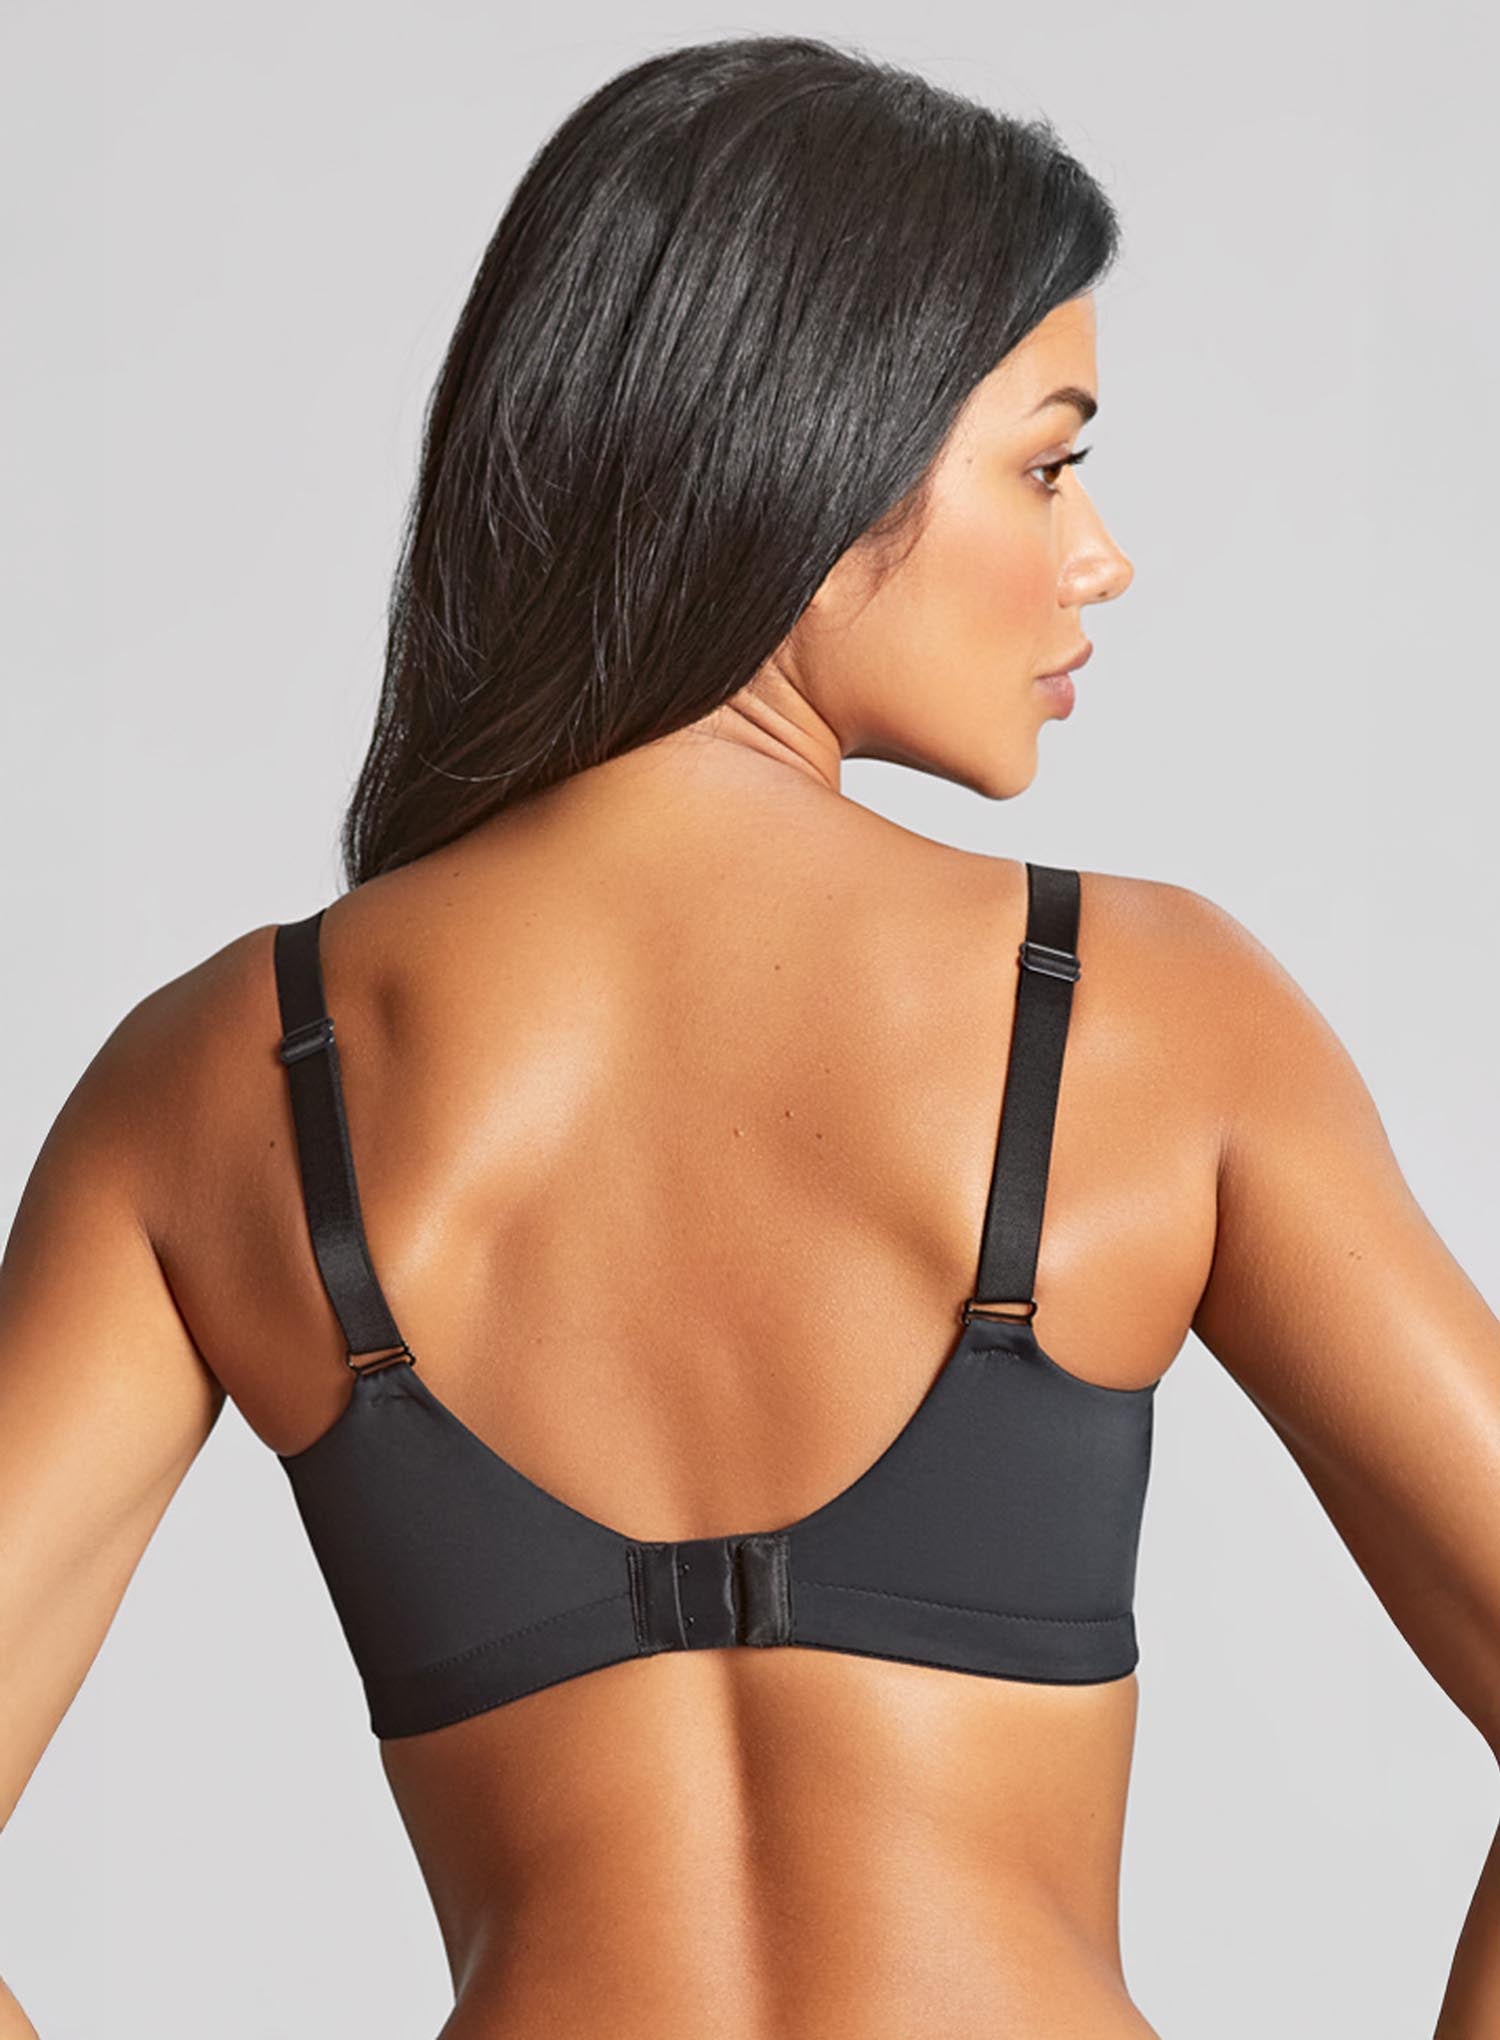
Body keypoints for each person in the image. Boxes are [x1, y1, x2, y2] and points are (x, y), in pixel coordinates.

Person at [2, 32, 1496, 2040]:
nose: (1100, 554)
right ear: (822, 448)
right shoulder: (1147, 1013)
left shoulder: (224, 1081)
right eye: (1049, 462)